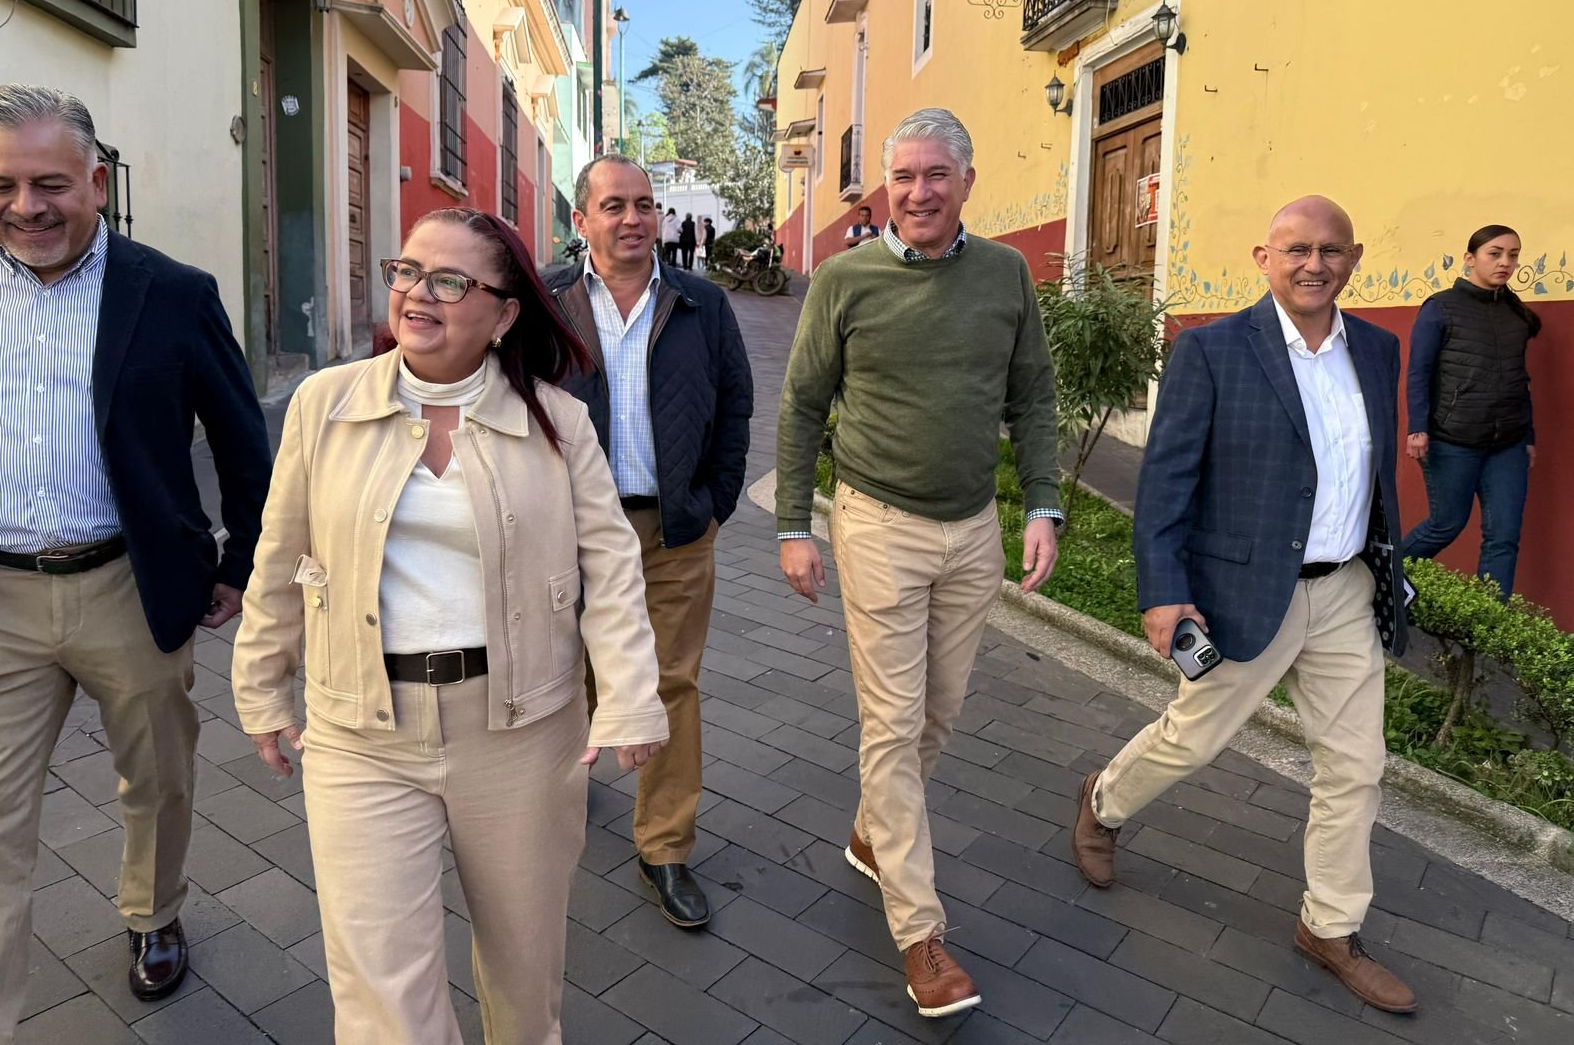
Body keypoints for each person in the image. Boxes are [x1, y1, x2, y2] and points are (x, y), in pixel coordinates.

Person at [231, 208, 669, 1044]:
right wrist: (261, 685)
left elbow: (612, 567)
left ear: (504, 313)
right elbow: (280, 554)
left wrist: (629, 697)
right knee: (381, 996)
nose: (416, 293)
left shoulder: (558, 422)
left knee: (523, 974)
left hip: (519, 732)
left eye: (449, 280)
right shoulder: (325, 405)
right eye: (407, 271)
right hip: (361, 731)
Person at [1071, 196, 1416, 1014]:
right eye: (1297, 249)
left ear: (1354, 259)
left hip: (1345, 589)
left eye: (1331, 250)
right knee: (1193, 738)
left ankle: (1330, 925)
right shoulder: (1213, 350)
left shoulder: (1377, 349)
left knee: (1357, 766)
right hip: (1246, 591)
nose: (1314, 265)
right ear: (1264, 258)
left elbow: (1368, 474)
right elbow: (1167, 481)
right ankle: (1102, 801)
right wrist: (1164, 591)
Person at [0, 84, 271, 1037]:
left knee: (158, 777)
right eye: (0, 185)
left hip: (129, 583)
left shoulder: (173, 293)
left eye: (50, 184)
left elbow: (243, 439)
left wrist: (243, 560)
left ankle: (154, 912)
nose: (26, 206)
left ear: (97, 183)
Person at [776, 108, 1062, 1017]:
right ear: (886, 188)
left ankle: (874, 830)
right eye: (903, 177)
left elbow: (1034, 397)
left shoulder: (1006, 274)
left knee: (938, 713)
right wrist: (793, 524)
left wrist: (1043, 505)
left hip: (972, 530)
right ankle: (920, 933)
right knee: (894, 727)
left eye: (937, 174)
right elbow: (802, 405)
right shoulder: (845, 279)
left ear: (968, 181)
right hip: (878, 524)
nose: (919, 192)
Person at [548, 156, 753, 930]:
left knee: (671, 684)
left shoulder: (702, 303)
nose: (633, 218)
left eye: (644, 204)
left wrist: (711, 505)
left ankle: (664, 845)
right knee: (570, 677)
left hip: (673, 532)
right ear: (582, 220)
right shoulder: (545, 304)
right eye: (614, 206)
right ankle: (564, 790)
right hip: (569, 535)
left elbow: (735, 406)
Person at [1402, 225, 1540, 598]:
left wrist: (1528, 437)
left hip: (1508, 444)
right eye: (1495, 253)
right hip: (1452, 440)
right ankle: (1379, 576)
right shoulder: (1440, 307)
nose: (1505, 262)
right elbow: (1419, 372)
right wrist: (1417, 428)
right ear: (1470, 259)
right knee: (1445, 525)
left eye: (1513, 255)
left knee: (1503, 537)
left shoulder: (1515, 314)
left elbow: (1520, 379)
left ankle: (1492, 619)